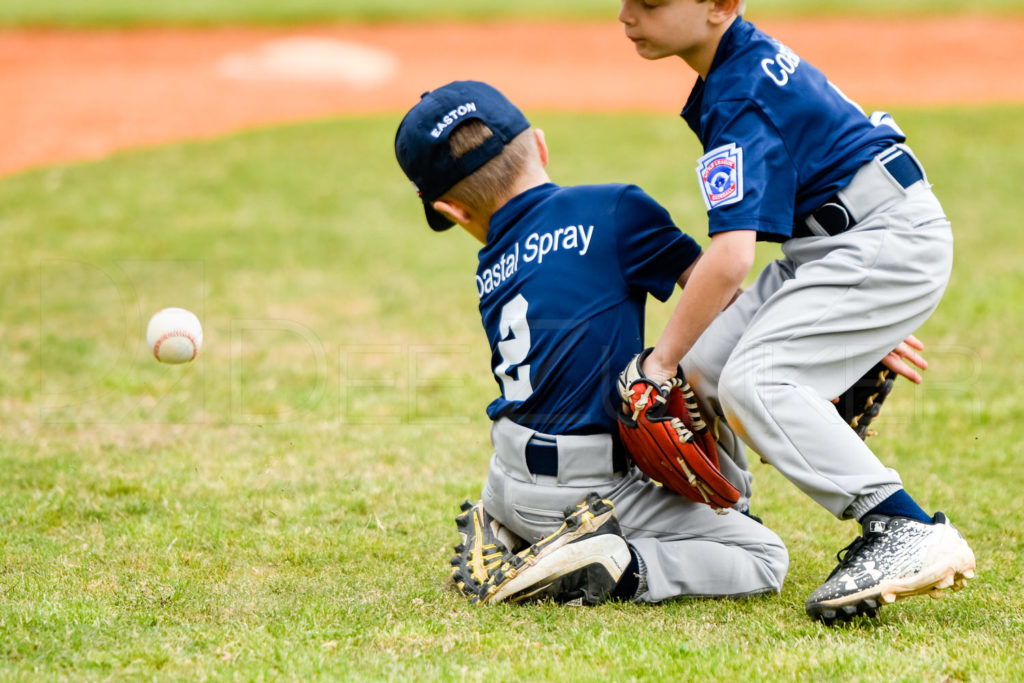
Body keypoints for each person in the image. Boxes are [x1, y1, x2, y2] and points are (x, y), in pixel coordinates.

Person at [616, 0, 976, 623]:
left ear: (720, 7)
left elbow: (730, 260)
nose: (627, 14)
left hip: (878, 239)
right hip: (841, 245)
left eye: (650, 3)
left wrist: (656, 362)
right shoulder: (736, 65)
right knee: (705, 370)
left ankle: (903, 528)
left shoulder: (739, 94)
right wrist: (845, 321)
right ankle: (719, 531)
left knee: (752, 380)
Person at [394, 79, 788, 606]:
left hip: (506, 478)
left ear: (453, 212)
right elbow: (722, 296)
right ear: (539, 144)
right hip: (589, 489)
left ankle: (508, 528)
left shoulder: (491, 266)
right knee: (765, 556)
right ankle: (614, 562)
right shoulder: (616, 208)